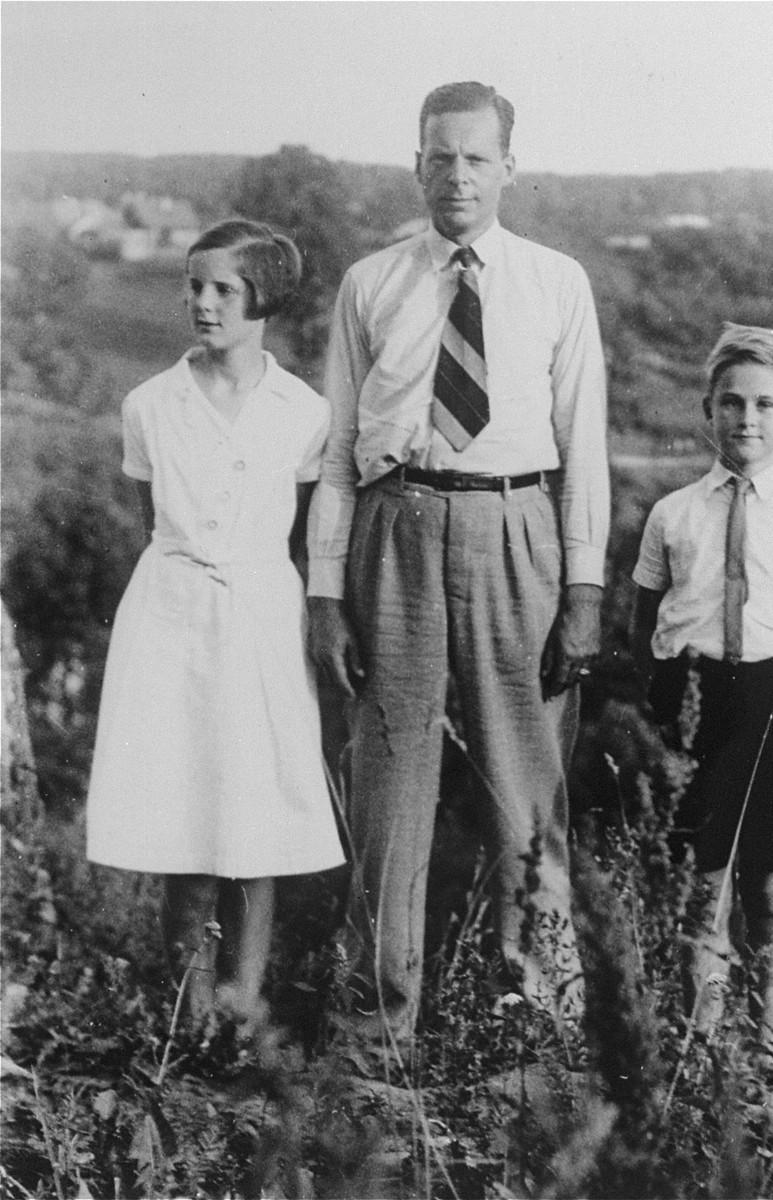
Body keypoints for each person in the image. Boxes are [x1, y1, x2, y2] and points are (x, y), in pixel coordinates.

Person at [307, 82, 609, 1039]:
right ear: (417, 164)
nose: (458, 175)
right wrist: (323, 593)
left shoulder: (556, 282)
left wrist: (586, 590)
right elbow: (337, 453)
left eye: (477, 157)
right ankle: (374, 1028)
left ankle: (541, 1025)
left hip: (514, 531)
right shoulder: (372, 282)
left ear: (509, 169)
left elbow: (585, 448)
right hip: (393, 530)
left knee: (527, 788)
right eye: (440, 156)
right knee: (389, 789)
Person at [87, 219, 345, 1034]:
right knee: (185, 814)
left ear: (262, 297)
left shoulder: (303, 412)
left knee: (254, 814)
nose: (202, 303)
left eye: (223, 289)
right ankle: (189, 1011)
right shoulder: (150, 404)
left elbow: (300, 526)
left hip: (260, 619)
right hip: (171, 619)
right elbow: (151, 520)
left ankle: (245, 1001)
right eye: (194, 286)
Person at [629, 323, 773, 1045]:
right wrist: (663, 696)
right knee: (700, 886)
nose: (746, 419)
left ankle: (761, 1045)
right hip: (698, 699)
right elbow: (644, 619)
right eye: (731, 403)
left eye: (765, 404)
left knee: (769, 883)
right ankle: (701, 1049)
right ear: (707, 410)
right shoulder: (674, 514)